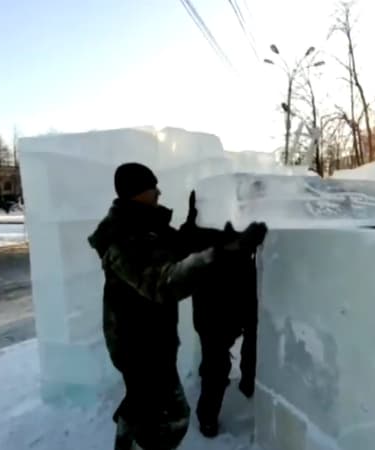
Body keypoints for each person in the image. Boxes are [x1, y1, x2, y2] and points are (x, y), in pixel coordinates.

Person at [87, 162, 267, 450]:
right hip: (137, 343)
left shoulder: (147, 225)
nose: (158, 191)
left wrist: (202, 223)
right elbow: (165, 283)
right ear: (136, 192)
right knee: (170, 417)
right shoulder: (123, 238)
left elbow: (180, 244)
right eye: (152, 187)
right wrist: (222, 252)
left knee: (143, 401)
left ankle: (127, 434)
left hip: (154, 337)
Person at [178, 193, 258, 438]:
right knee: (215, 366)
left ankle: (248, 386)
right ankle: (208, 417)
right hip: (213, 308)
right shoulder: (195, 229)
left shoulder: (239, 220)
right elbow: (186, 246)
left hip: (243, 300)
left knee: (252, 350)